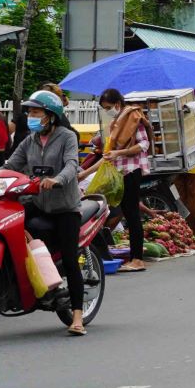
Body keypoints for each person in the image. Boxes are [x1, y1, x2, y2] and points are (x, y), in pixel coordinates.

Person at [2, 91, 86, 335]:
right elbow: (11, 165)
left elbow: (72, 164)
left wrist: (58, 179)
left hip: (65, 208)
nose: (31, 116)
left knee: (71, 260)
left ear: (50, 116)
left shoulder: (67, 137)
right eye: (29, 112)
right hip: (38, 203)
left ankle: (77, 317)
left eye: (36, 112)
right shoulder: (30, 139)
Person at [79, 88, 151, 273]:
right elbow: (107, 156)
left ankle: (137, 259)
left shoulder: (133, 118)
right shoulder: (116, 122)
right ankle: (135, 257)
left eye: (109, 107)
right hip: (119, 172)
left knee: (132, 214)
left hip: (131, 171)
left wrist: (120, 152)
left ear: (118, 104)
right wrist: (84, 174)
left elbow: (144, 145)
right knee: (128, 213)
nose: (107, 110)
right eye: (104, 108)